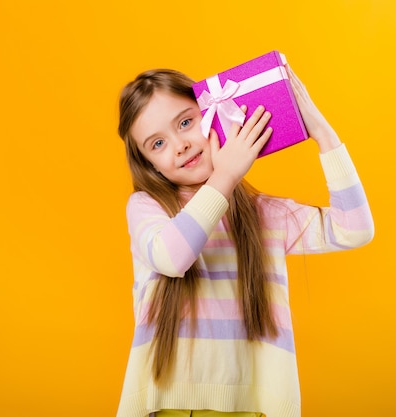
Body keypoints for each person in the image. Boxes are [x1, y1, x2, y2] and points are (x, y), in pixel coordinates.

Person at [115, 64, 374, 417]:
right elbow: (173, 257)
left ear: (213, 114)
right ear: (151, 165)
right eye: (158, 144)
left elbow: (354, 228)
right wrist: (225, 174)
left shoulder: (264, 213)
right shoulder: (147, 207)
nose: (181, 145)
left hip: (250, 406)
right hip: (170, 404)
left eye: (186, 122)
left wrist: (321, 132)